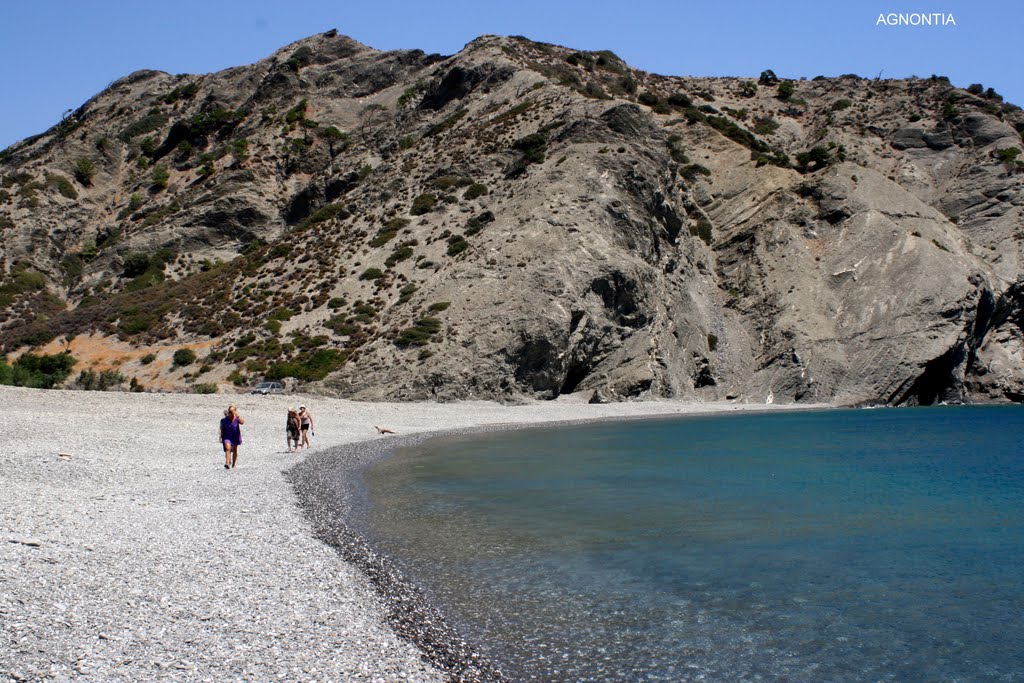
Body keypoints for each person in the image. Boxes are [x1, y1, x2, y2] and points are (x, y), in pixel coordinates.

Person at [219, 404, 245, 468]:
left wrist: (237, 415)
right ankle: (227, 463)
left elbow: (242, 422)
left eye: (233, 411)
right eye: (230, 412)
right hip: (227, 436)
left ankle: (234, 464)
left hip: (235, 436)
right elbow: (222, 429)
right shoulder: (225, 420)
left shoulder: (237, 418)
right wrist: (221, 437)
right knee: (228, 448)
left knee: (235, 450)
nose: (231, 413)